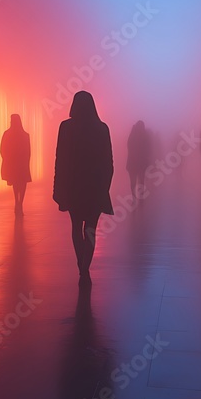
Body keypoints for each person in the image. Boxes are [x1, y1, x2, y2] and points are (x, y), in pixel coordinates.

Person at [53, 91, 114, 280]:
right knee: (91, 228)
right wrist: (105, 186)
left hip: (73, 186)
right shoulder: (101, 129)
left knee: (76, 225)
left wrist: (58, 185)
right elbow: (108, 161)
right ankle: (86, 265)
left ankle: (80, 262)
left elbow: (60, 159)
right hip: (95, 186)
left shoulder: (66, 127)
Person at [0, 114, 32, 216]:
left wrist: (7, 159)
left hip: (12, 164)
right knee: (22, 184)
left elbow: (2, 149)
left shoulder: (7, 134)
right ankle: (20, 203)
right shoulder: (25, 135)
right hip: (22, 164)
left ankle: (17, 202)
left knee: (15, 184)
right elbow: (28, 151)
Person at [126, 120, 152, 202]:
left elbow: (129, 146)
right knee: (141, 180)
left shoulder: (132, 135)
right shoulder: (144, 136)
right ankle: (140, 196)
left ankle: (134, 196)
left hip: (132, 162)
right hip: (140, 162)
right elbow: (148, 148)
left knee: (133, 181)